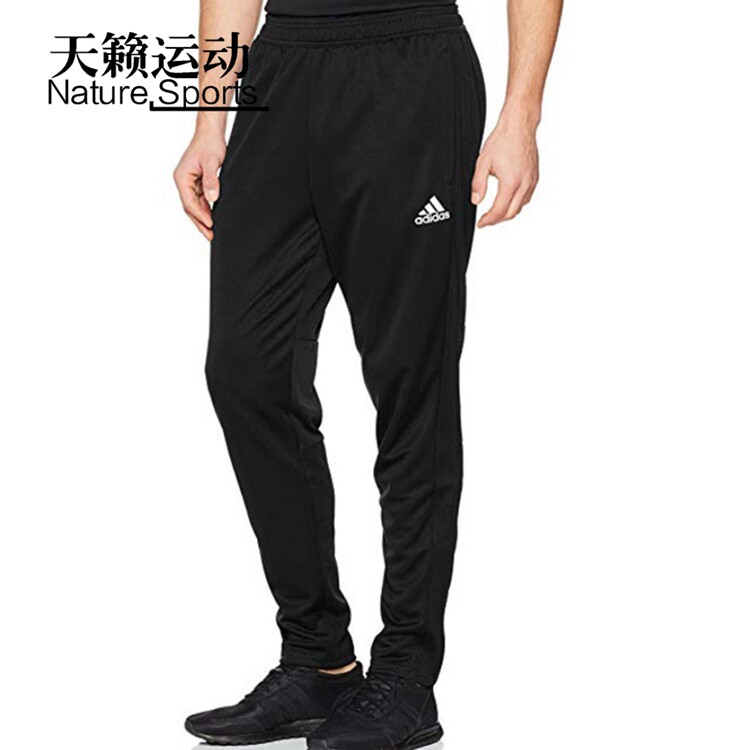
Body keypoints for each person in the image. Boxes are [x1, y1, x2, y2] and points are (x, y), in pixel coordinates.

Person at [174, 0, 562, 747]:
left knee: (410, 384)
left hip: (410, 69)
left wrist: (521, 115)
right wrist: (209, 120)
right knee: (245, 371)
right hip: (280, 73)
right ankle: (316, 656)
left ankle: (407, 676)